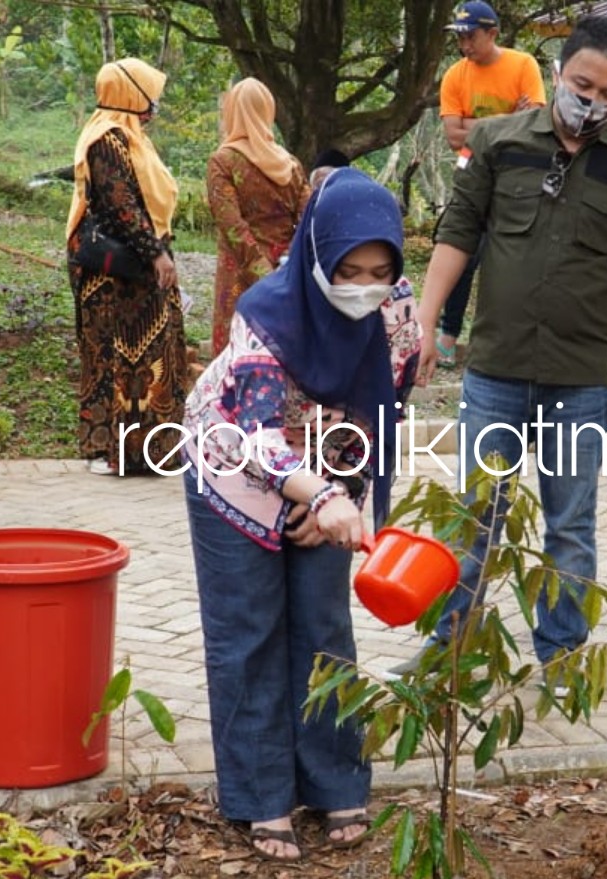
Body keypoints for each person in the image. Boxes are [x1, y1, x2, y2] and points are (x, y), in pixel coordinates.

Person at [388, 15, 607, 679]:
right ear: (556, 73)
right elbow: (458, 232)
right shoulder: (498, 141)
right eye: (583, 85)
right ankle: (450, 650)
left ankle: (563, 657)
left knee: (570, 524)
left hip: (581, 377)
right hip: (496, 369)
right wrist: (427, 324)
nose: (593, 102)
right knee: (473, 519)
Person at [181, 168, 420, 862]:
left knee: (323, 626)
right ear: (317, 255)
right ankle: (261, 794)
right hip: (234, 464)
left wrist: (340, 493)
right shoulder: (264, 311)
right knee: (248, 628)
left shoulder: (395, 311)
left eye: (381, 270)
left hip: (331, 464)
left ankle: (335, 778)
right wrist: (317, 495)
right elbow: (256, 436)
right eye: (348, 270)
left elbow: (380, 407)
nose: (365, 285)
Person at [67, 58, 188, 476]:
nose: (155, 103)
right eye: (150, 94)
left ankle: (150, 450)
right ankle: (111, 451)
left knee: (151, 357)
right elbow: (122, 206)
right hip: (114, 276)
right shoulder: (108, 139)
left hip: (137, 273)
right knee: (112, 360)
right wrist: (155, 252)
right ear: (131, 94)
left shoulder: (131, 138)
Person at [433, 0, 546, 367]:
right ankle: (447, 336)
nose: (465, 46)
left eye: (471, 37)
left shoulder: (523, 65)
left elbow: (534, 126)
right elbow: (452, 135)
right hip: (470, 176)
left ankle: (505, 340)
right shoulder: (455, 75)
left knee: (508, 259)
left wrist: (476, 126)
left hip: (517, 179)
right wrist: (508, 120)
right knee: (461, 255)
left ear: (492, 33)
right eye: (460, 38)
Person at [206, 77, 310, 357]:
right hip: (286, 270)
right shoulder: (290, 164)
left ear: (231, 112)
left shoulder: (223, 161)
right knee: (278, 349)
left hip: (239, 274)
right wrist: (287, 263)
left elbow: (232, 226)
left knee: (237, 351)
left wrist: (260, 270)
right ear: (268, 111)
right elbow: (309, 217)